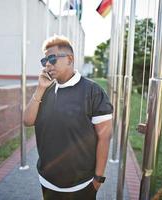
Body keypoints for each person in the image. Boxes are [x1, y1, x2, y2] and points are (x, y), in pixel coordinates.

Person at [23, 35, 113, 200]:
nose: (48, 64)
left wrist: (98, 179)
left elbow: (104, 137)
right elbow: (27, 121)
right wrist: (40, 89)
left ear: (70, 59)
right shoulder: (45, 91)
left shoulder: (93, 92)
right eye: (44, 61)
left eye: (52, 59)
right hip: (47, 182)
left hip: (82, 185)